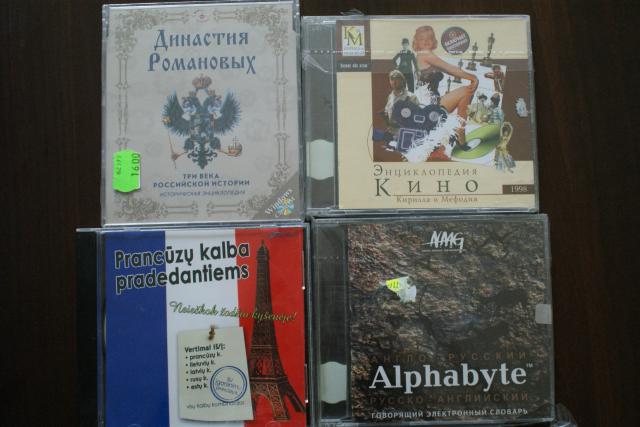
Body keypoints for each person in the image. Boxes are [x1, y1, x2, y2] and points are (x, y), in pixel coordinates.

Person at [412, 25, 478, 146]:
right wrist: (473, 78)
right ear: (417, 42)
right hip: (427, 108)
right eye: (422, 39)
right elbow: (450, 68)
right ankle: (460, 134)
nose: (426, 41)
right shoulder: (425, 54)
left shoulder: (422, 56)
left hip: (432, 103)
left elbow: (449, 70)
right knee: (467, 91)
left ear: (434, 40)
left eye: (429, 38)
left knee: (466, 91)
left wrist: (470, 77)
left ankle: (459, 132)